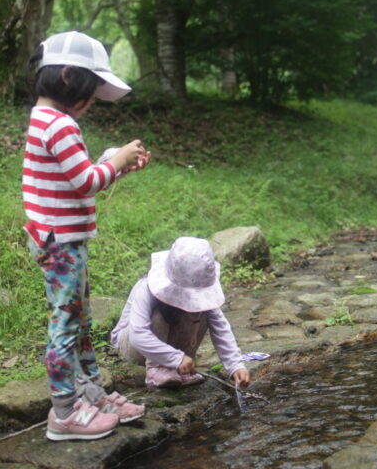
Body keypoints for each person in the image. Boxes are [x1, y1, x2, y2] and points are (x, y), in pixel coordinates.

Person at [23, 31, 152, 441]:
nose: (94, 101)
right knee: (65, 324)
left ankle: (90, 394)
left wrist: (114, 163)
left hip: (62, 241)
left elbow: (76, 176)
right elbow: (85, 183)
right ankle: (64, 412)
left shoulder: (47, 119)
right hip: (61, 244)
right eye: (92, 91)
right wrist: (116, 161)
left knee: (80, 320)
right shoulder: (59, 124)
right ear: (67, 77)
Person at [111, 236, 252, 391]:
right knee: (161, 312)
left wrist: (236, 365)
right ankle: (156, 369)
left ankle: (178, 369)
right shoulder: (146, 288)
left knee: (203, 311)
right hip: (134, 347)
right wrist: (175, 358)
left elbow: (220, 327)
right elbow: (137, 335)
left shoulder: (203, 298)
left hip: (171, 351)